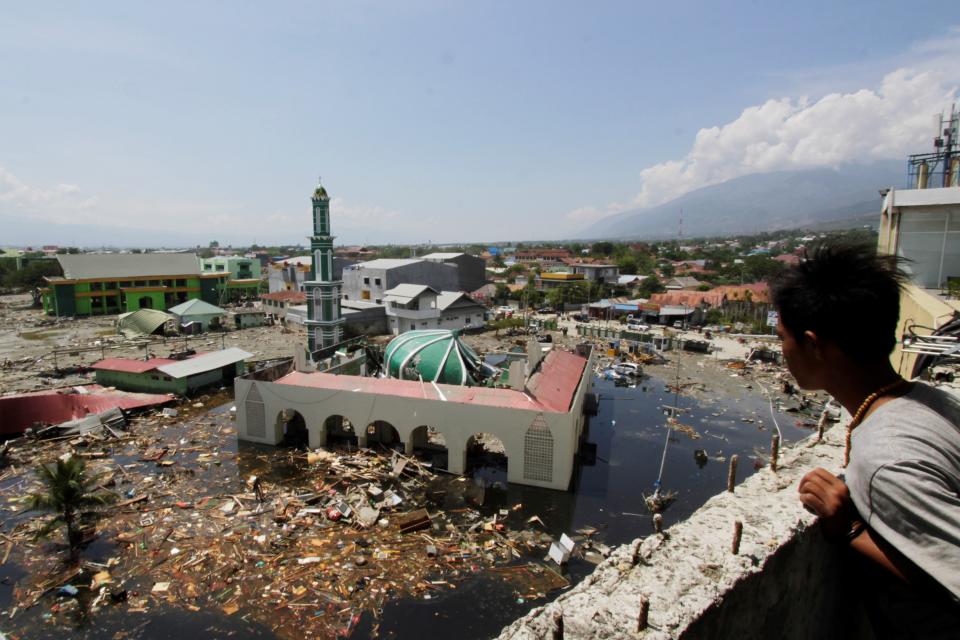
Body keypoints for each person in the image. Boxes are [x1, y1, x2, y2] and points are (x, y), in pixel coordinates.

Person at [772, 244, 960, 638]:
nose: (781, 350)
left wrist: (850, 529)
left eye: (782, 337)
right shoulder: (932, 400)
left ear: (814, 344)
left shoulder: (886, 458)